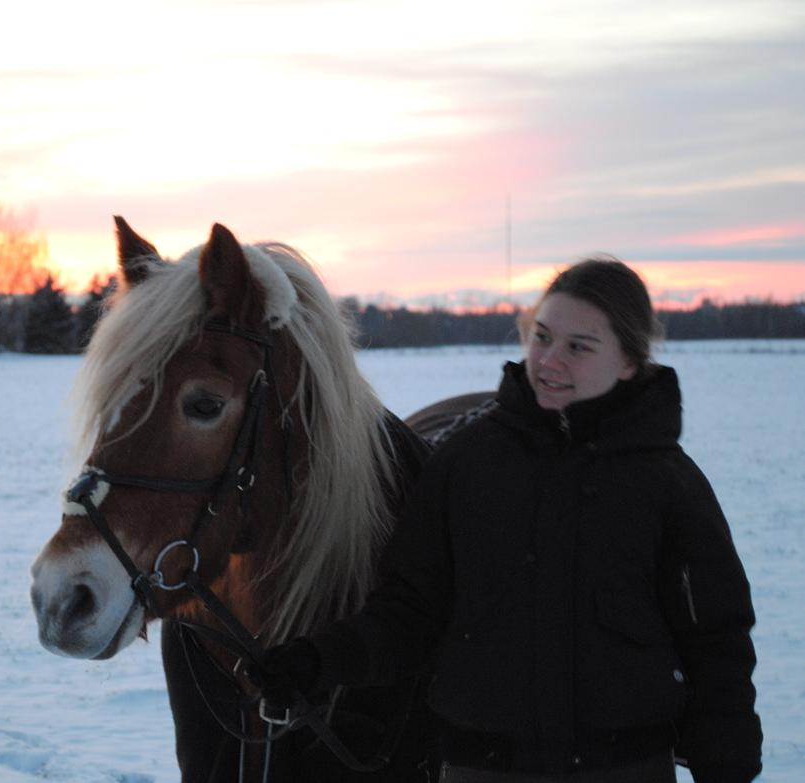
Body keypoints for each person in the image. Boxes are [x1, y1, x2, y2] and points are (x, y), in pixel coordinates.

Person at [257, 257, 762, 783]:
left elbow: (717, 639)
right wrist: (317, 662)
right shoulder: (466, 465)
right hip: (483, 769)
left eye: (579, 346)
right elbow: (409, 613)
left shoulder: (668, 483)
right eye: (542, 336)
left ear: (630, 361)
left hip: (626, 770)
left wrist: (725, 760)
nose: (549, 360)